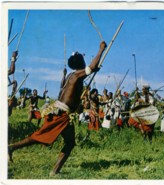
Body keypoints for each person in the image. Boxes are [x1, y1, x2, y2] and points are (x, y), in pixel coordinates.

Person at [8, 41, 107, 176]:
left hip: (63, 115)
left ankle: (55, 171)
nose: (85, 62)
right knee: (40, 136)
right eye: (83, 60)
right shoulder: (77, 75)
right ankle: (12, 148)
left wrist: (94, 69)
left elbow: (91, 69)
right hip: (60, 114)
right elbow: (92, 66)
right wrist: (101, 50)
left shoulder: (71, 76)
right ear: (80, 63)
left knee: (70, 142)